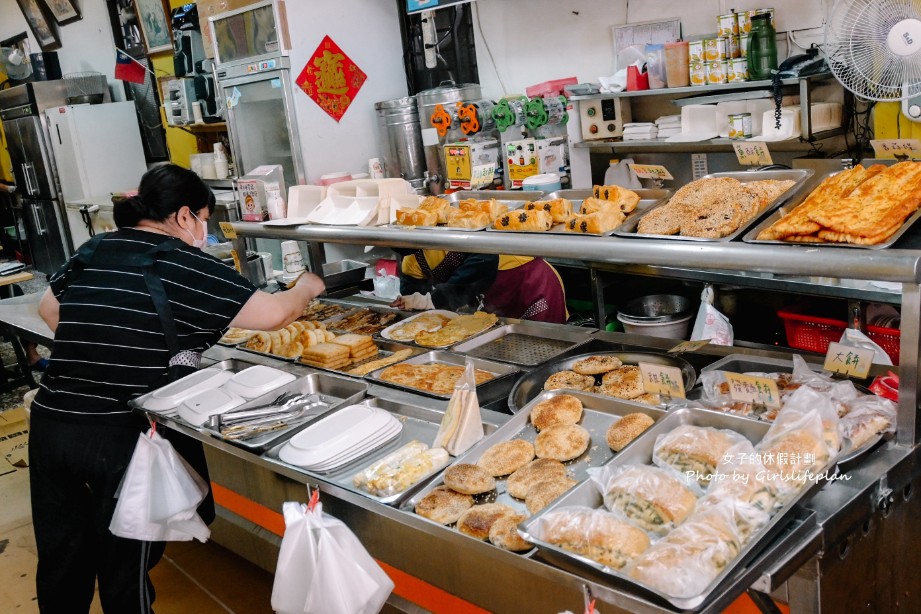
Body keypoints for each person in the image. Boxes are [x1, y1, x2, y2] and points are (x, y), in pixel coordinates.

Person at [28, 164, 325, 613]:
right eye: (203, 218)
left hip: (53, 424)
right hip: (117, 435)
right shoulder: (182, 261)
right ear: (185, 216)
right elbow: (273, 315)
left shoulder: (96, 246)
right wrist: (306, 286)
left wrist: (111, 339)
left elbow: (48, 309)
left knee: (61, 559)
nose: (202, 230)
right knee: (125, 564)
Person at [394, 249, 567, 323]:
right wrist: (409, 302)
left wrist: (431, 301)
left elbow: (482, 264)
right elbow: (420, 311)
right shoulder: (412, 261)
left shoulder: (452, 232)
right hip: (491, 302)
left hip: (531, 286)